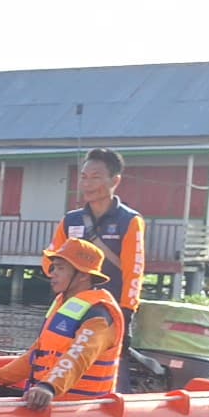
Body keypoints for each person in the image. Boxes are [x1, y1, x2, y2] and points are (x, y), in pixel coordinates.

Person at [0, 238, 124, 408]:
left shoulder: (99, 315)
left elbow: (79, 356)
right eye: (53, 267)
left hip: (78, 409)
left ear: (83, 275)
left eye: (60, 268)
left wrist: (48, 387)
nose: (53, 273)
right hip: (51, 400)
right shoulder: (63, 303)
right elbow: (35, 356)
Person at [50, 147, 145, 361]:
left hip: (108, 310)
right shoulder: (70, 220)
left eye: (95, 177)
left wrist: (126, 313)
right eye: (83, 177)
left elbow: (134, 271)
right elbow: (51, 259)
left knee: (103, 362)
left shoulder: (129, 221)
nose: (87, 184)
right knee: (58, 355)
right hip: (72, 305)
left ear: (115, 181)